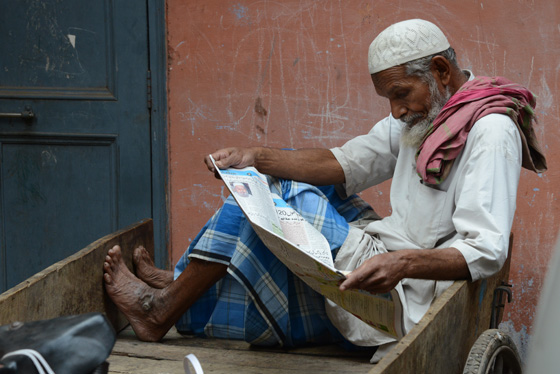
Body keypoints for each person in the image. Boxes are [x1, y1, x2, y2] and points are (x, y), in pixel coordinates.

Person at [103, 19, 546, 362]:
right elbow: (345, 163)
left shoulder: (489, 130)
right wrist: (257, 156)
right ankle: (182, 285)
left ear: (440, 70)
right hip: (388, 252)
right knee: (274, 181)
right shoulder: (424, 114)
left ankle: (163, 306)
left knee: (279, 199)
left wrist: (403, 261)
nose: (395, 110)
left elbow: (486, 249)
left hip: (410, 289)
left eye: (399, 94)